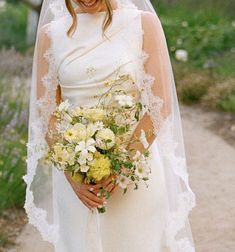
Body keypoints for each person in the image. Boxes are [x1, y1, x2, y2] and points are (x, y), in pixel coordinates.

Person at [23, 0, 196, 251]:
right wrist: (74, 176)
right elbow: (46, 110)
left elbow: (161, 104)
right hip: (77, 179)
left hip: (134, 173)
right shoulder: (50, 35)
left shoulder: (142, 24)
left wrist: (121, 166)